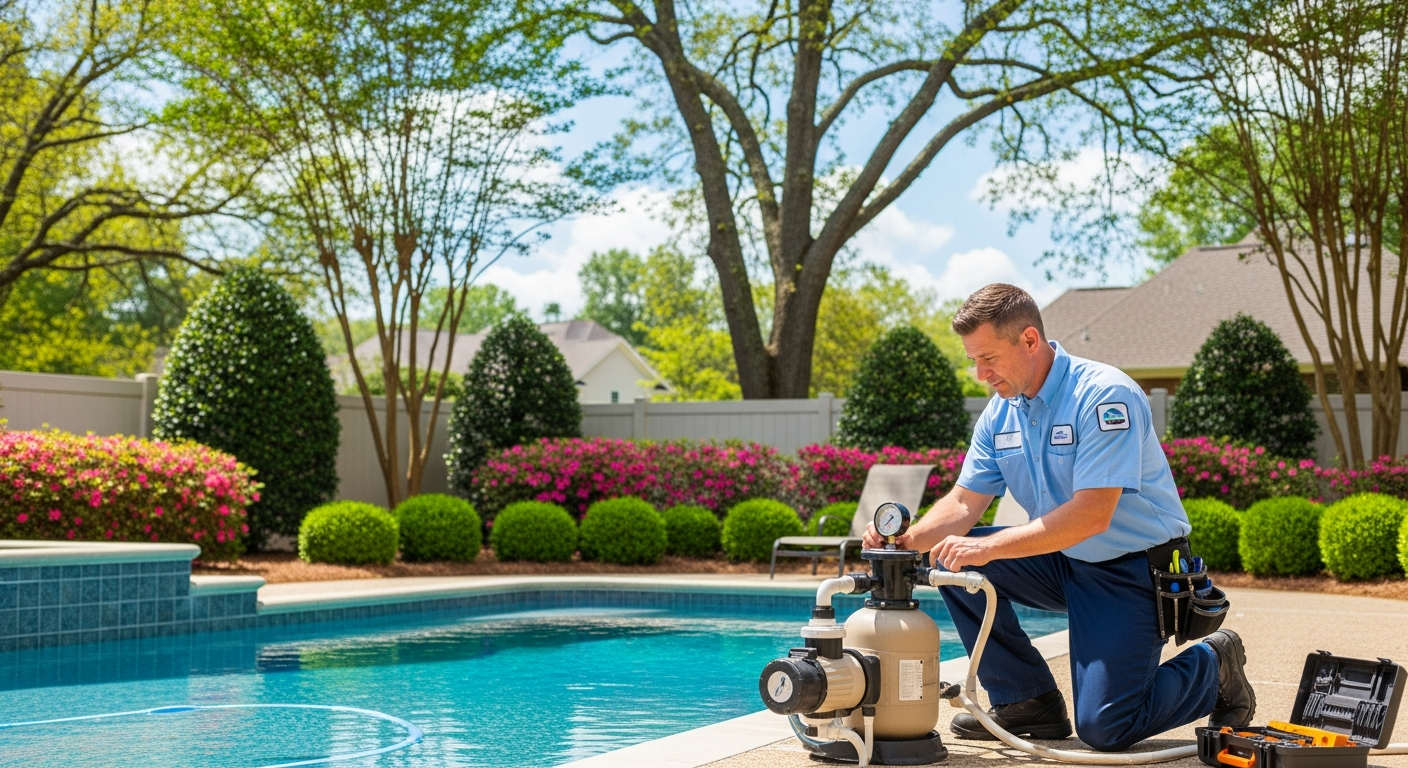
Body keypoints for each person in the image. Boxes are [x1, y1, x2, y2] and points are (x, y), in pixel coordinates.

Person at [863, 283, 1254, 752]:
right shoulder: (999, 414)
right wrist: (908, 541)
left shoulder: (1104, 396)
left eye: (988, 357)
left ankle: (1216, 665)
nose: (980, 373)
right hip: (1062, 557)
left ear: (1029, 340)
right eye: (973, 360)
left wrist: (986, 547)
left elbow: (1091, 516)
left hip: (1132, 569)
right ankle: (1027, 701)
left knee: (1107, 729)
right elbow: (965, 503)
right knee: (952, 565)